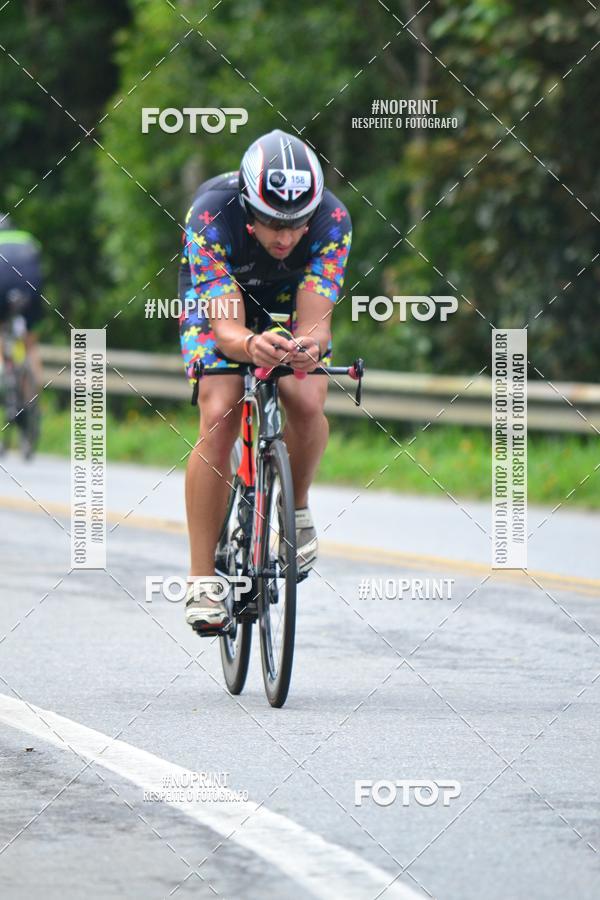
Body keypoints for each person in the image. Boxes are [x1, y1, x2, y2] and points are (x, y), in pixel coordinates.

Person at [178, 129, 352, 632]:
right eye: (273, 222)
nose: (285, 237)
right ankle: (202, 580)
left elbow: (316, 324)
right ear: (248, 206)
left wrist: (308, 348)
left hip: (288, 300)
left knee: (306, 399)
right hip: (223, 300)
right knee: (220, 412)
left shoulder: (333, 220)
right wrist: (250, 345)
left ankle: (295, 508)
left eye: (296, 224)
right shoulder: (211, 214)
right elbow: (227, 331)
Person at [0, 213, 44, 388]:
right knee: (31, 343)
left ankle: (1, 369)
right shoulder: (26, 238)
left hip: (3, 285)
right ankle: (36, 393)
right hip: (31, 286)